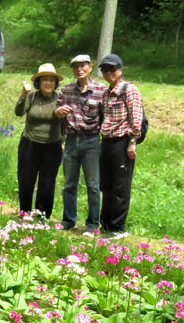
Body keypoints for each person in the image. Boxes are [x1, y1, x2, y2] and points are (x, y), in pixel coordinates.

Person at [54, 55, 107, 233]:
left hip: (92, 140)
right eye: (75, 66)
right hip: (70, 141)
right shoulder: (66, 90)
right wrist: (59, 112)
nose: (79, 69)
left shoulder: (101, 90)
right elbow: (57, 115)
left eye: (83, 66)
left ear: (90, 67)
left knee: (93, 185)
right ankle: (69, 220)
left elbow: (106, 117)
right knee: (69, 184)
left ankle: (93, 224)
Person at [98, 53, 144, 239]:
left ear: (120, 70)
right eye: (105, 69)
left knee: (120, 185)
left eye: (112, 69)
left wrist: (132, 142)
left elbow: (136, 117)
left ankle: (117, 227)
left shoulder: (129, 89)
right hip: (107, 141)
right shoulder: (106, 92)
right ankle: (105, 225)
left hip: (122, 141)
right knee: (106, 183)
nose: (108, 72)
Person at [14, 63, 64, 219]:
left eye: (51, 80)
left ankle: (42, 216)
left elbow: (67, 122)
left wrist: (64, 141)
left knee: (47, 182)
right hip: (29, 143)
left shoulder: (61, 98)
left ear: (55, 83)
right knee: (26, 179)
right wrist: (23, 94)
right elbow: (18, 112)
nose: (48, 83)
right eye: (44, 80)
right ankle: (24, 213)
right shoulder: (32, 96)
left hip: (53, 146)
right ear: (39, 82)